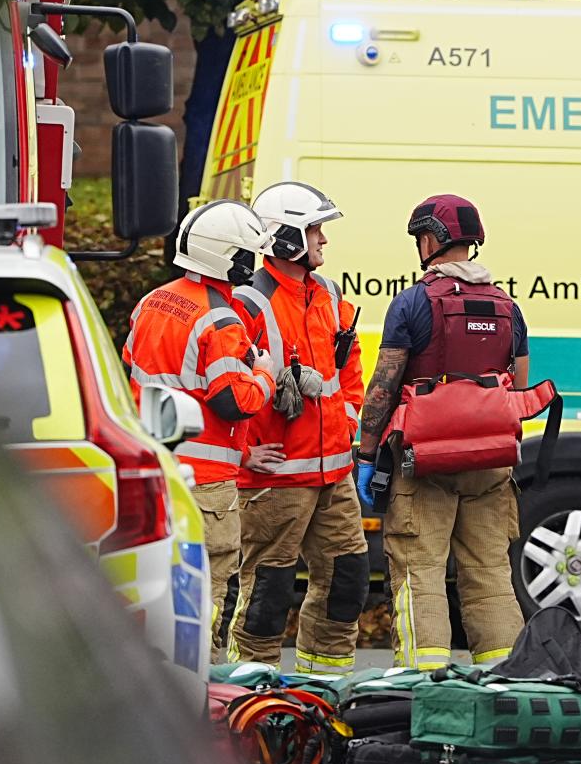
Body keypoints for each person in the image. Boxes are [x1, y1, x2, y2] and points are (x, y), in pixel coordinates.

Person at [354, 194, 530, 670]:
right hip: (491, 464)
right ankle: (506, 681)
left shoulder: (412, 303)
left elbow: (383, 386)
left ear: (430, 239)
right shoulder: (507, 307)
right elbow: (522, 385)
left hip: (423, 461)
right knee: (490, 574)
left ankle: (423, 681)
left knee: (419, 571)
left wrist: (366, 454)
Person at [124, 200, 278, 664]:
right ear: (227, 256)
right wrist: (266, 375)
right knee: (211, 584)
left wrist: (243, 454)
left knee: (159, 581)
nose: (252, 265)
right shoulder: (223, 321)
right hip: (207, 485)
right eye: (247, 255)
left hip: (154, 466)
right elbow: (233, 401)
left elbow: (134, 369)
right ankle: (202, 680)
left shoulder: (154, 301)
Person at [227, 181, 369, 673]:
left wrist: (348, 421)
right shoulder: (249, 302)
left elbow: (348, 369)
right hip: (276, 478)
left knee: (348, 580)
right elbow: (222, 387)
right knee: (267, 595)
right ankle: (250, 696)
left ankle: (324, 688)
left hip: (334, 473)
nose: (324, 240)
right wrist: (244, 453)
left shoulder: (327, 293)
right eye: (315, 230)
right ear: (286, 237)